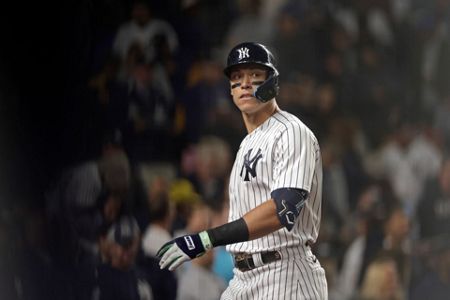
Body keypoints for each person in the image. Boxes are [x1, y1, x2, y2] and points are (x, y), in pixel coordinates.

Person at [157, 42, 328, 299]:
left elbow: (284, 208)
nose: (245, 83)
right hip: (243, 277)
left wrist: (207, 238)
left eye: (255, 75)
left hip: (285, 274)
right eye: (237, 76)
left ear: (273, 81)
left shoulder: (291, 131)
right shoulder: (246, 144)